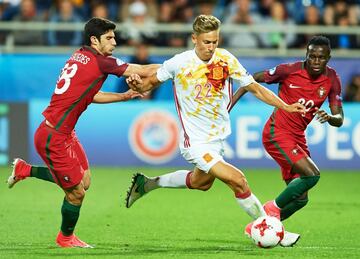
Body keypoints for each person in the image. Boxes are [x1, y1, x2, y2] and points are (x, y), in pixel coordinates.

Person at [125, 15, 305, 246]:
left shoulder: (225, 60)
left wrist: (285, 106)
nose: (211, 47)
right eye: (206, 42)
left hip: (217, 140)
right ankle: (270, 229)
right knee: (238, 180)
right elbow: (148, 83)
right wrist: (136, 84)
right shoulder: (179, 63)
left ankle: (148, 184)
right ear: (194, 38)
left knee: (201, 183)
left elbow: (254, 88)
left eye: (215, 41)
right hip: (196, 142)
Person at [7, 17, 159, 248]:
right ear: (94, 40)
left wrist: (123, 96)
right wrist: (180, 66)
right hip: (53, 136)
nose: (115, 42)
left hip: (64, 132)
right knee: (76, 193)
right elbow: (144, 69)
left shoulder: (80, 55)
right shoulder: (101, 62)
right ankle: (65, 238)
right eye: (109, 38)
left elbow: (91, 95)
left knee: (83, 181)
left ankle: (25, 170)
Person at [231, 35, 344, 244]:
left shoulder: (332, 79)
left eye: (321, 57)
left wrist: (330, 117)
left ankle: (259, 225)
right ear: (306, 55)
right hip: (277, 133)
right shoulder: (289, 70)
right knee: (312, 175)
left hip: (297, 137)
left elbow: (340, 118)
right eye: (312, 57)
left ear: (328, 57)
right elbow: (250, 80)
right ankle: (271, 209)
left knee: (301, 199)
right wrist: (229, 106)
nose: (316, 61)